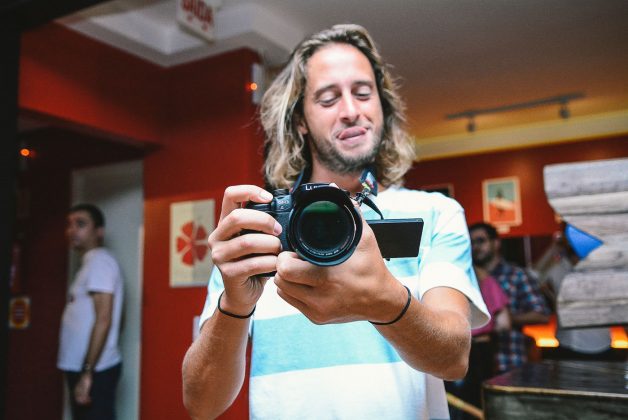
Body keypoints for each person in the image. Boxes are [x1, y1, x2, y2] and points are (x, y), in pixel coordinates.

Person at [182, 24, 489, 420]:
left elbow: (454, 358)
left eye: (363, 93)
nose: (350, 110)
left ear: (382, 105)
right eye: (328, 99)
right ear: (300, 122)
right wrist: (235, 306)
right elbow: (201, 405)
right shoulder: (259, 230)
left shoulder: (434, 213)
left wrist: (384, 301)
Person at [58, 203, 124, 420]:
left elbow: (103, 319)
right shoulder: (89, 264)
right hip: (86, 367)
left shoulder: (100, 261)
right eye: (70, 224)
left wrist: (87, 373)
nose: (72, 230)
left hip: (95, 370)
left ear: (99, 231)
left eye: (81, 224)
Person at [468, 222, 550, 374]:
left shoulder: (516, 275)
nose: (475, 247)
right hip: (474, 363)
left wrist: (497, 319)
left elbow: (542, 314)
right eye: (471, 242)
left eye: (481, 241)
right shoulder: (467, 278)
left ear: (496, 243)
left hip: (509, 359)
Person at [533, 225, 612, 360]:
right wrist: (553, 247)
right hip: (565, 344)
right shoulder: (558, 268)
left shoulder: (605, 268)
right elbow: (532, 278)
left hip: (598, 346)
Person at [446, 265, 510, 419]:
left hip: (450, 345)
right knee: (479, 403)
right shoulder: (485, 278)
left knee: (454, 404)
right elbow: (504, 323)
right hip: (481, 349)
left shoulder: (441, 275)